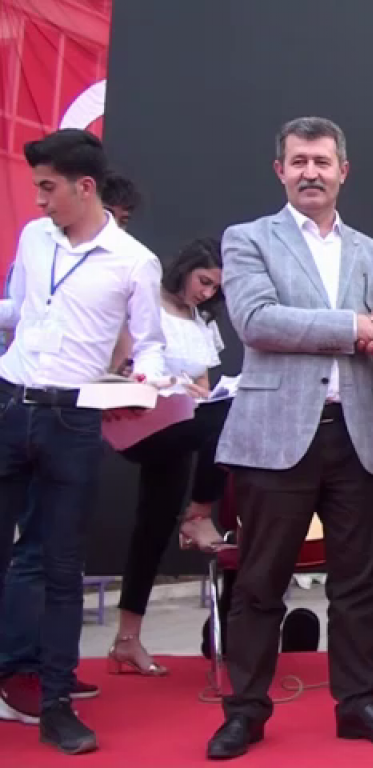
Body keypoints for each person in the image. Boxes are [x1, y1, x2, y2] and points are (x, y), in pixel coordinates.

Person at [205, 116, 373, 760]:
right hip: (276, 437)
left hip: (359, 437)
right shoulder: (248, 239)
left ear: (342, 172)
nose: (310, 173)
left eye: (322, 162)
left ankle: (358, 704)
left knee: (359, 584)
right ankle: (245, 711)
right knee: (259, 583)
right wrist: (358, 326)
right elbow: (258, 321)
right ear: (280, 170)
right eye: (298, 161)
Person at [0, 129, 167, 755]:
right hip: (9, 401)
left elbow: (150, 344)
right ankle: (13, 674)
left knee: (60, 564)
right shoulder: (33, 238)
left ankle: (55, 700)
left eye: (48, 188)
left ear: (85, 186)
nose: (39, 200)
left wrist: (146, 380)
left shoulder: (134, 261)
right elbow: (20, 310)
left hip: (72, 420)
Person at [105, 236, 235, 678]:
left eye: (215, 288)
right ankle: (198, 516)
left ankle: (127, 641)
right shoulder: (145, 303)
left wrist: (194, 390)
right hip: (138, 420)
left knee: (153, 528)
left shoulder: (201, 320)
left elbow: (205, 386)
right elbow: (119, 366)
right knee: (227, 417)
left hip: (179, 424)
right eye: (203, 281)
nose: (206, 292)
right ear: (184, 269)